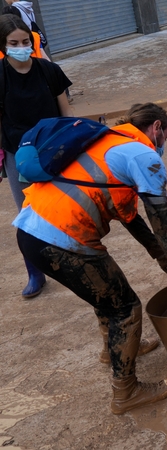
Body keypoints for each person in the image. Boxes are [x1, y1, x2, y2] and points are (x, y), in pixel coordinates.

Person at [13, 103, 167, 414]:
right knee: (125, 308)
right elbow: (162, 219)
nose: (165, 142)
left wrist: (156, 251)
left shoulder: (106, 142)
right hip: (61, 239)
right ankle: (126, 392)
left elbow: (128, 216)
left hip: (31, 231)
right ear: (156, 128)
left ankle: (112, 349)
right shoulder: (143, 155)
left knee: (106, 296)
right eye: (166, 134)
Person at [0, 15, 72, 298]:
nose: (21, 47)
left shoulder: (48, 70)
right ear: (3, 46)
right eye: (13, 43)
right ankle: (35, 273)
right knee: (28, 215)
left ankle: (69, 264)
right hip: (18, 155)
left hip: (54, 150)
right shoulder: (0, 76)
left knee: (63, 209)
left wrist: (72, 144)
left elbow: (66, 112)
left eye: (25, 41)